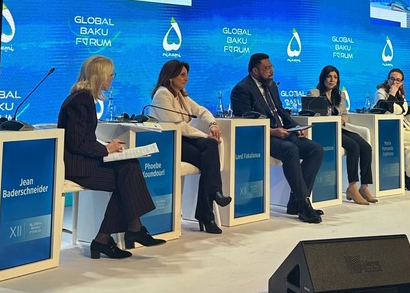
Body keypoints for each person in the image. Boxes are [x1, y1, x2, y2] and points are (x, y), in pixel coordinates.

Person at [57, 55, 164, 258]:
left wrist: (107, 147)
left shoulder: (84, 97)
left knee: (129, 166)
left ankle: (114, 236)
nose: (112, 78)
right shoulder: (81, 100)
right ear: (99, 76)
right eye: (110, 74)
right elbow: (77, 143)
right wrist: (106, 150)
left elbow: (84, 138)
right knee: (126, 181)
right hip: (77, 167)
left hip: (85, 161)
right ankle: (120, 233)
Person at [231, 53, 324, 223]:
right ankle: (304, 204)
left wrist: (296, 127)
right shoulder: (242, 89)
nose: (271, 71)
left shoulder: (272, 85)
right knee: (291, 150)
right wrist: (273, 132)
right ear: (255, 70)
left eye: (271, 67)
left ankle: (297, 201)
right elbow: (246, 122)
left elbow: (280, 111)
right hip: (262, 137)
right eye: (266, 68)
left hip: (284, 133)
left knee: (316, 149)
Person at [149, 60, 232, 234]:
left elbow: (201, 110)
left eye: (186, 75)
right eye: (182, 75)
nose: (186, 79)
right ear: (170, 77)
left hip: (182, 139)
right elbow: (177, 125)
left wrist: (212, 124)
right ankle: (208, 210)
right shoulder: (163, 94)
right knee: (209, 155)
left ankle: (210, 205)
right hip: (168, 142)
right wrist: (205, 135)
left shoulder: (180, 95)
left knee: (209, 154)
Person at [308, 66, 376, 205]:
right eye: (329, 76)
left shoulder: (340, 94)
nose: (332, 80)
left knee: (366, 147)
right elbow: (310, 114)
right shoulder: (314, 93)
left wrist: (343, 119)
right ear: (323, 78)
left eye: (335, 77)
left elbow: (345, 114)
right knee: (353, 147)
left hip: (339, 128)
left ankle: (364, 187)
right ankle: (352, 187)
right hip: (325, 131)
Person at [372, 68, 410, 192]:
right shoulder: (380, 93)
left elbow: (403, 109)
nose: (395, 82)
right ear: (387, 80)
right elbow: (386, 109)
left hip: (403, 127)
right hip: (388, 130)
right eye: (392, 79)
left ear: (402, 82)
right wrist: (392, 93)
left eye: (398, 80)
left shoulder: (401, 94)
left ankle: (408, 174)